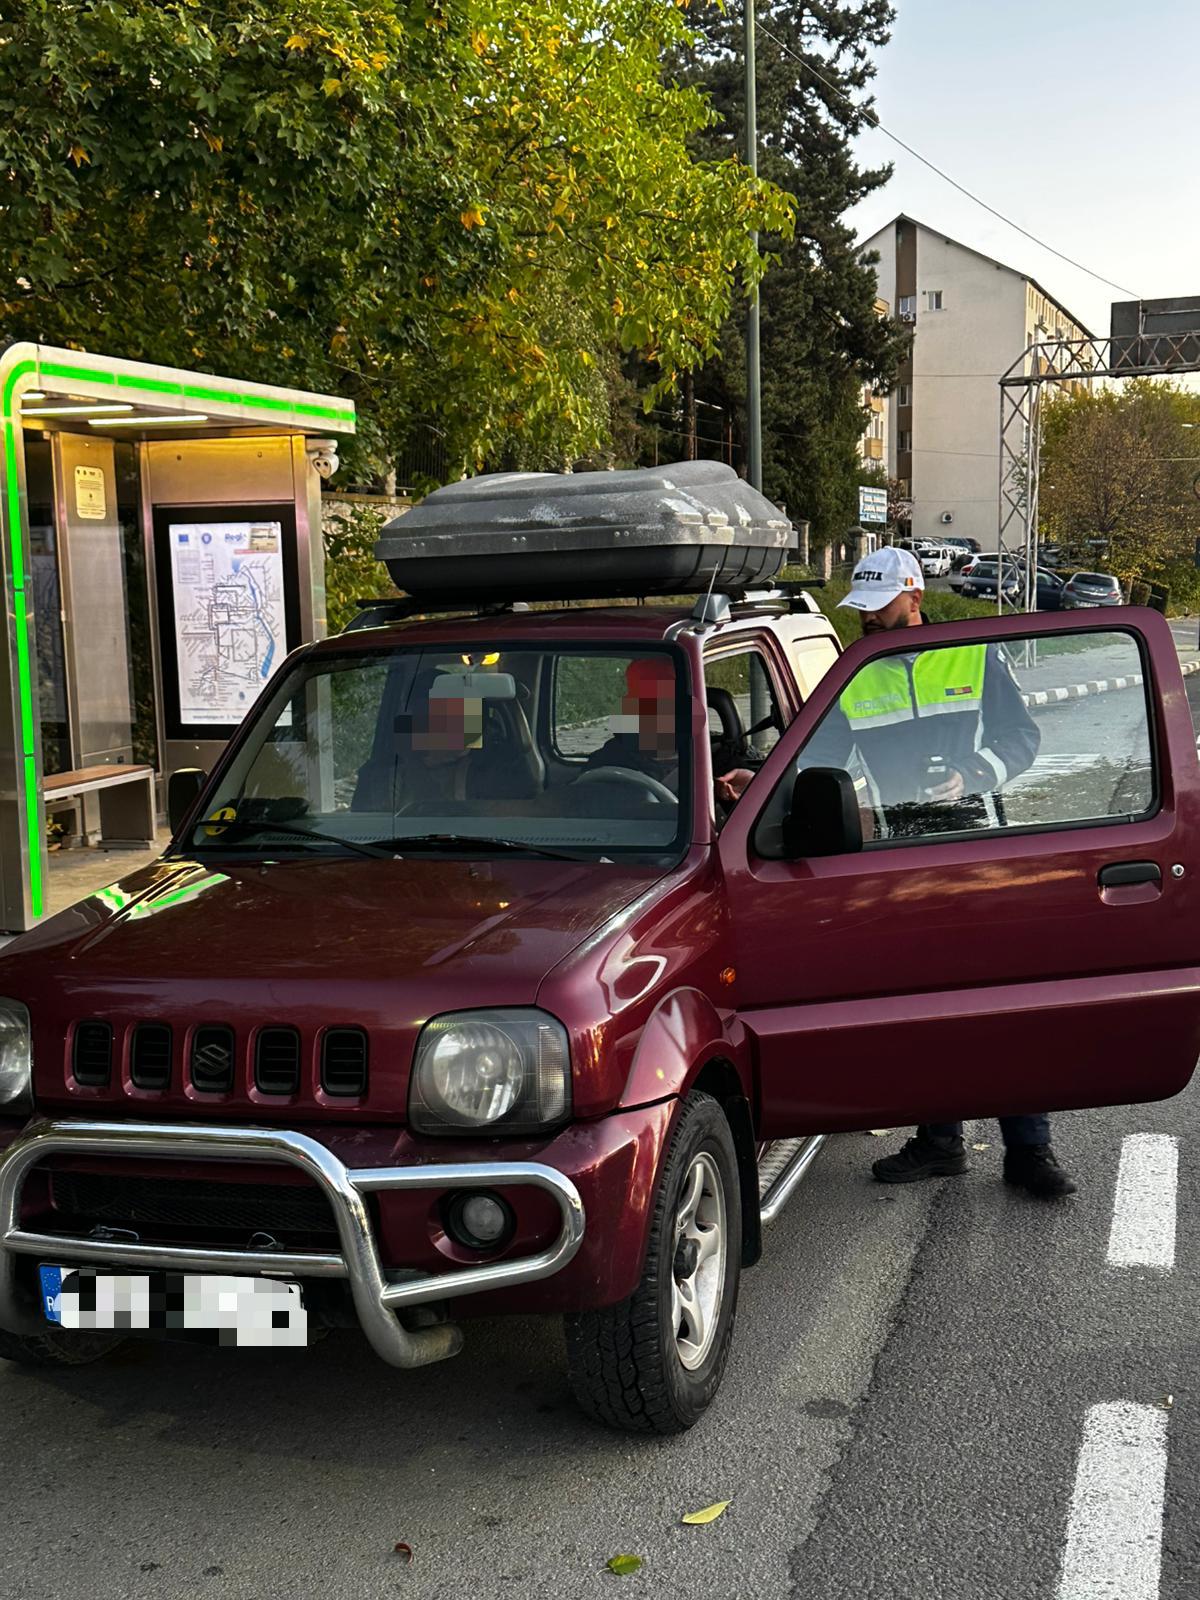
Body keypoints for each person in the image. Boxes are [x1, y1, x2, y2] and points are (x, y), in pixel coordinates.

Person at [722, 546, 1075, 1198]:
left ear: (914, 597)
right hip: (901, 860)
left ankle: (1030, 1150)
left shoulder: (973, 654)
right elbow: (817, 753)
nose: (868, 619)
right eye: (862, 608)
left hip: (977, 851)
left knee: (1005, 1006)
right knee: (926, 1010)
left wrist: (973, 773)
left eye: (878, 607)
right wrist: (762, 787)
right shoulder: (860, 669)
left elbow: (1022, 740)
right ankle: (941, 1142)